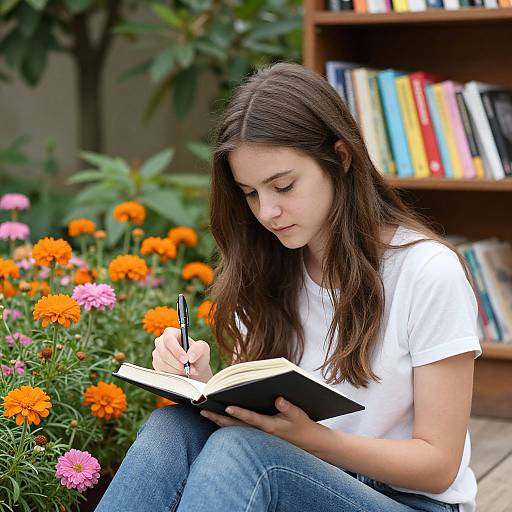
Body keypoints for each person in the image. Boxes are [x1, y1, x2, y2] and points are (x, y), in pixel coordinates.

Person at [96, 62, 481, 512]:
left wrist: (314, 440)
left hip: (409, 503)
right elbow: (259, 412)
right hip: (300, 475)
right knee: (173, 429)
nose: (267, 212)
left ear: (340, 157)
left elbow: (439, 464)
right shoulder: (266, 267)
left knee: (243, 455)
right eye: (251, 193)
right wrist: (203, 385)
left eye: (283, 186)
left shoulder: (426, 271)